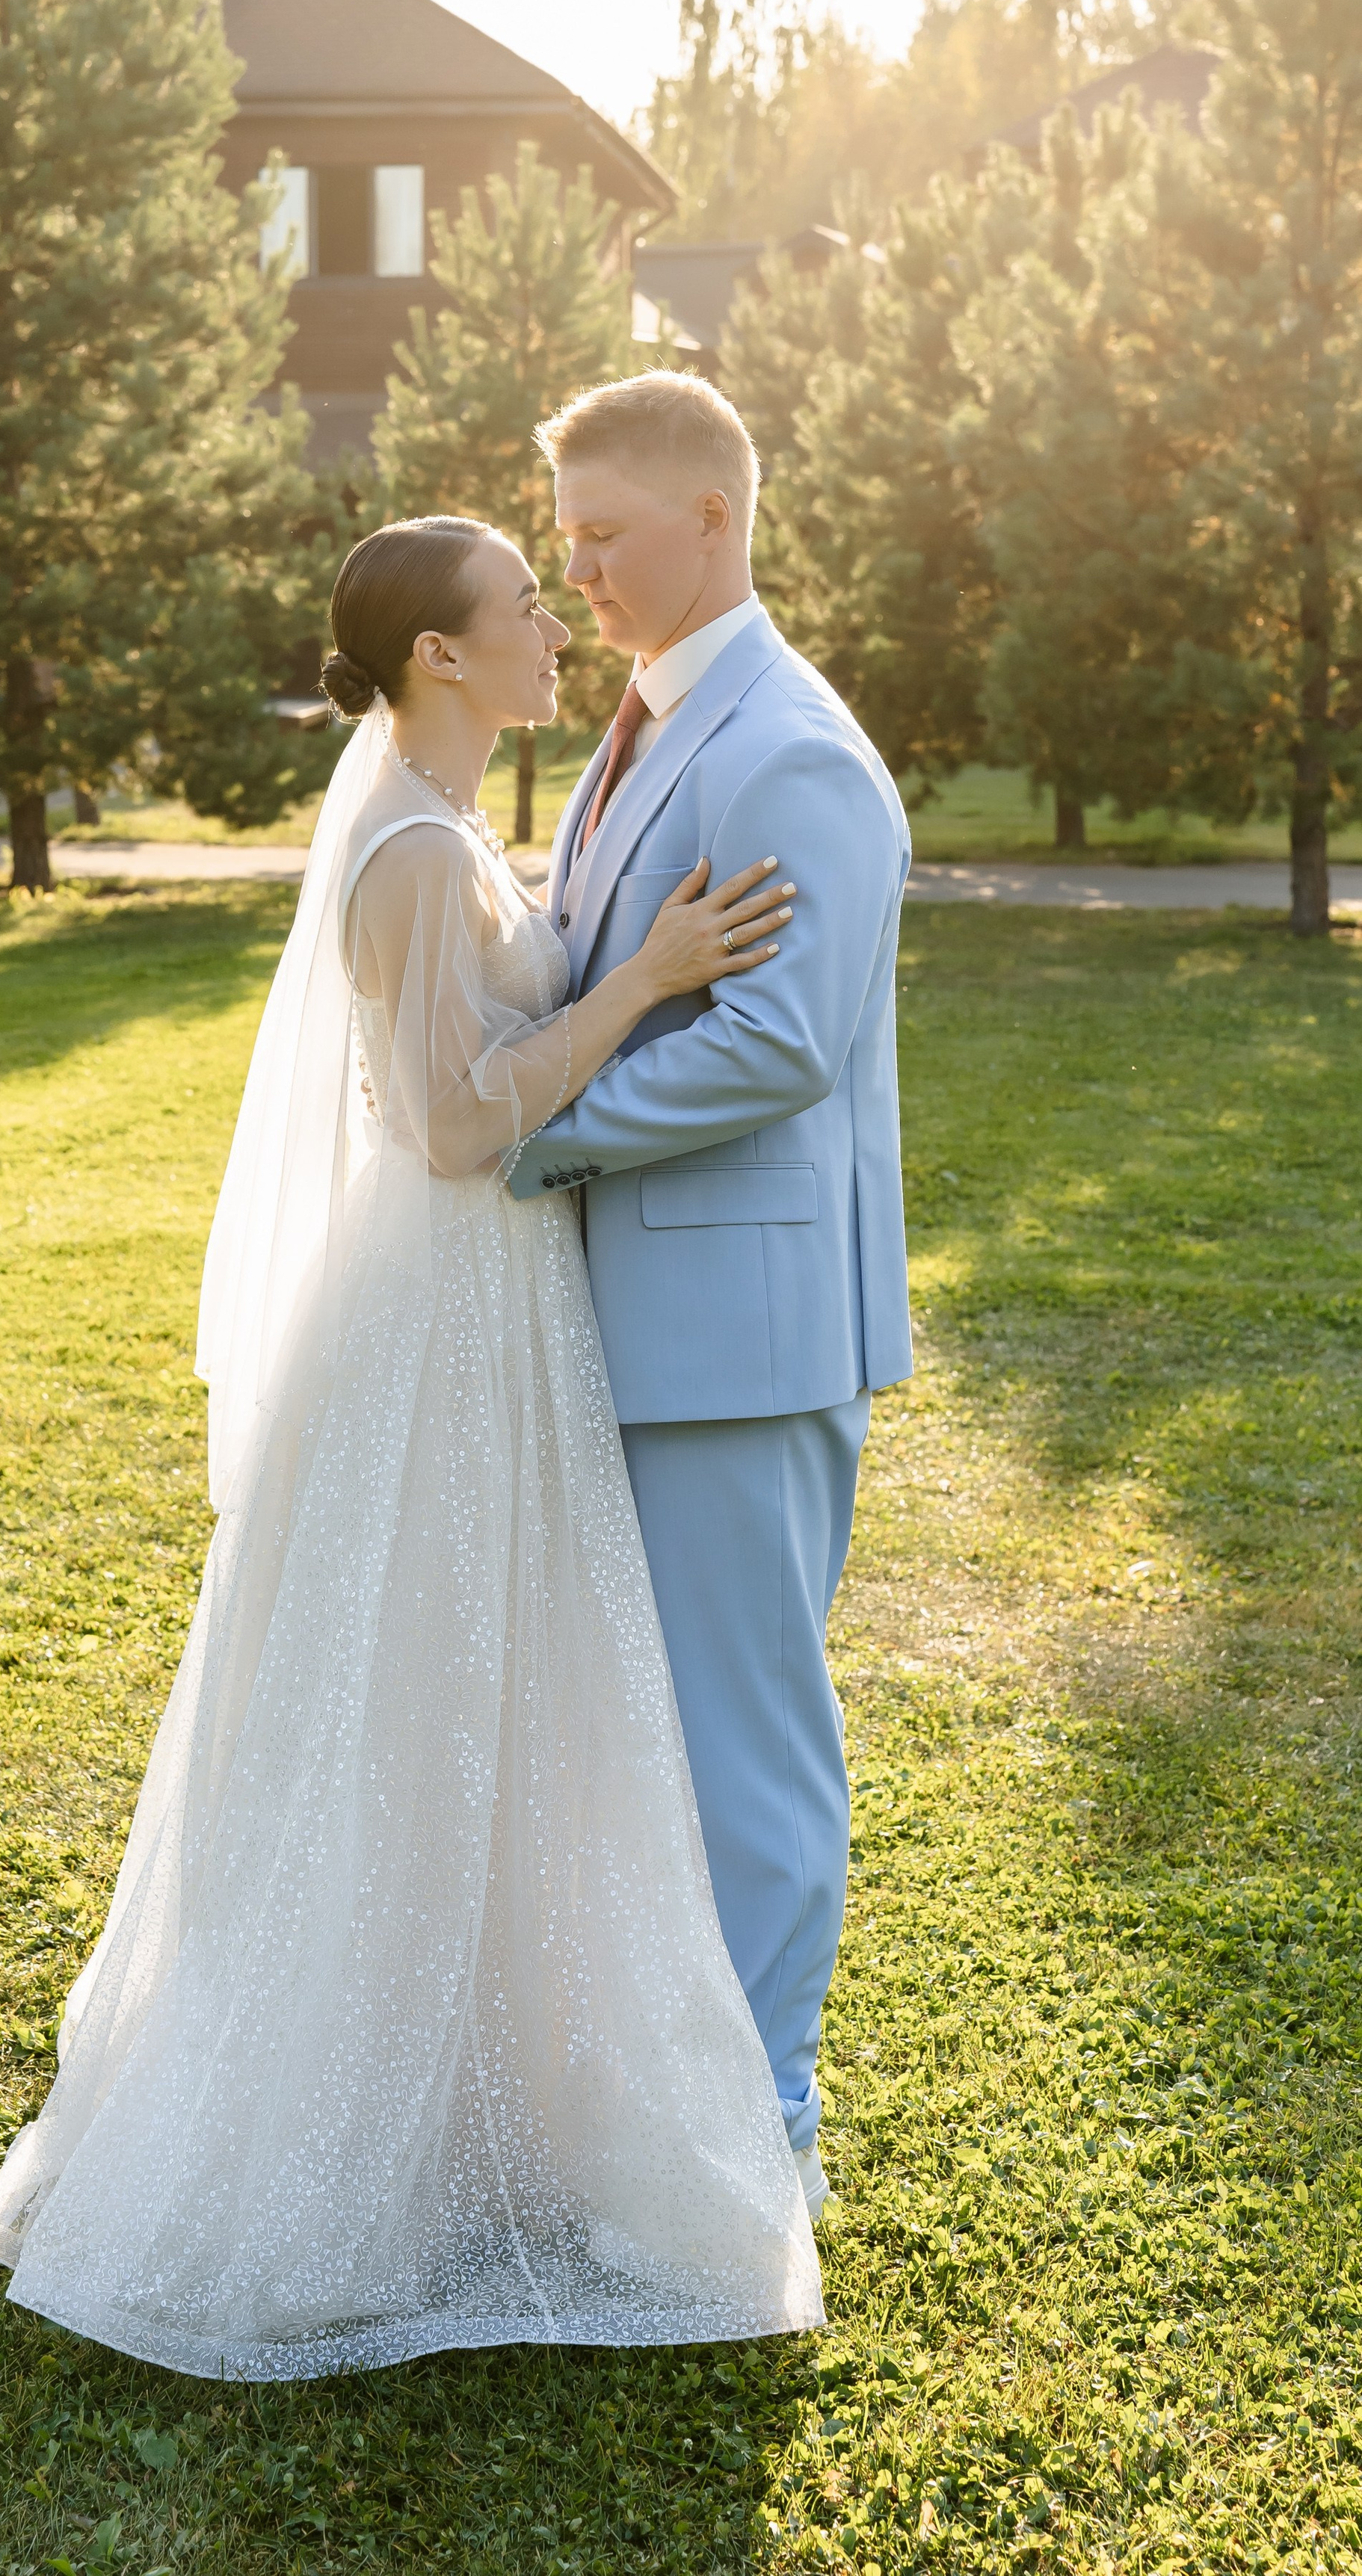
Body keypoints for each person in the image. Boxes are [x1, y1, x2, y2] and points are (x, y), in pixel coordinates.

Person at [0, 514, 823, 2379]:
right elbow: (448, 1124)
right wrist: (644, 976)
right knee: (419, 1688)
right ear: (440, 657)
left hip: (474, 1306)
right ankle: (330, 2148)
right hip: (443, 1308)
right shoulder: (421, 848)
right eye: (520, 609)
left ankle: (470, 2096)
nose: (548, 629)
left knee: (471, 1691)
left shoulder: (437, 829)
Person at [505, 373, 913, 2222]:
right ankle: (673, 2103)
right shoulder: (654, 721)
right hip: (647, 1324)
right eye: (563, 536)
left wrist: (532, 1138)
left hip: (732, 1343)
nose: (572, 567)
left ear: (714, 522)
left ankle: (761, 2144)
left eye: (604, 536)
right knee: (655, 1735)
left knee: (743, 1746)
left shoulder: (788, 750)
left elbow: (773, 1046)